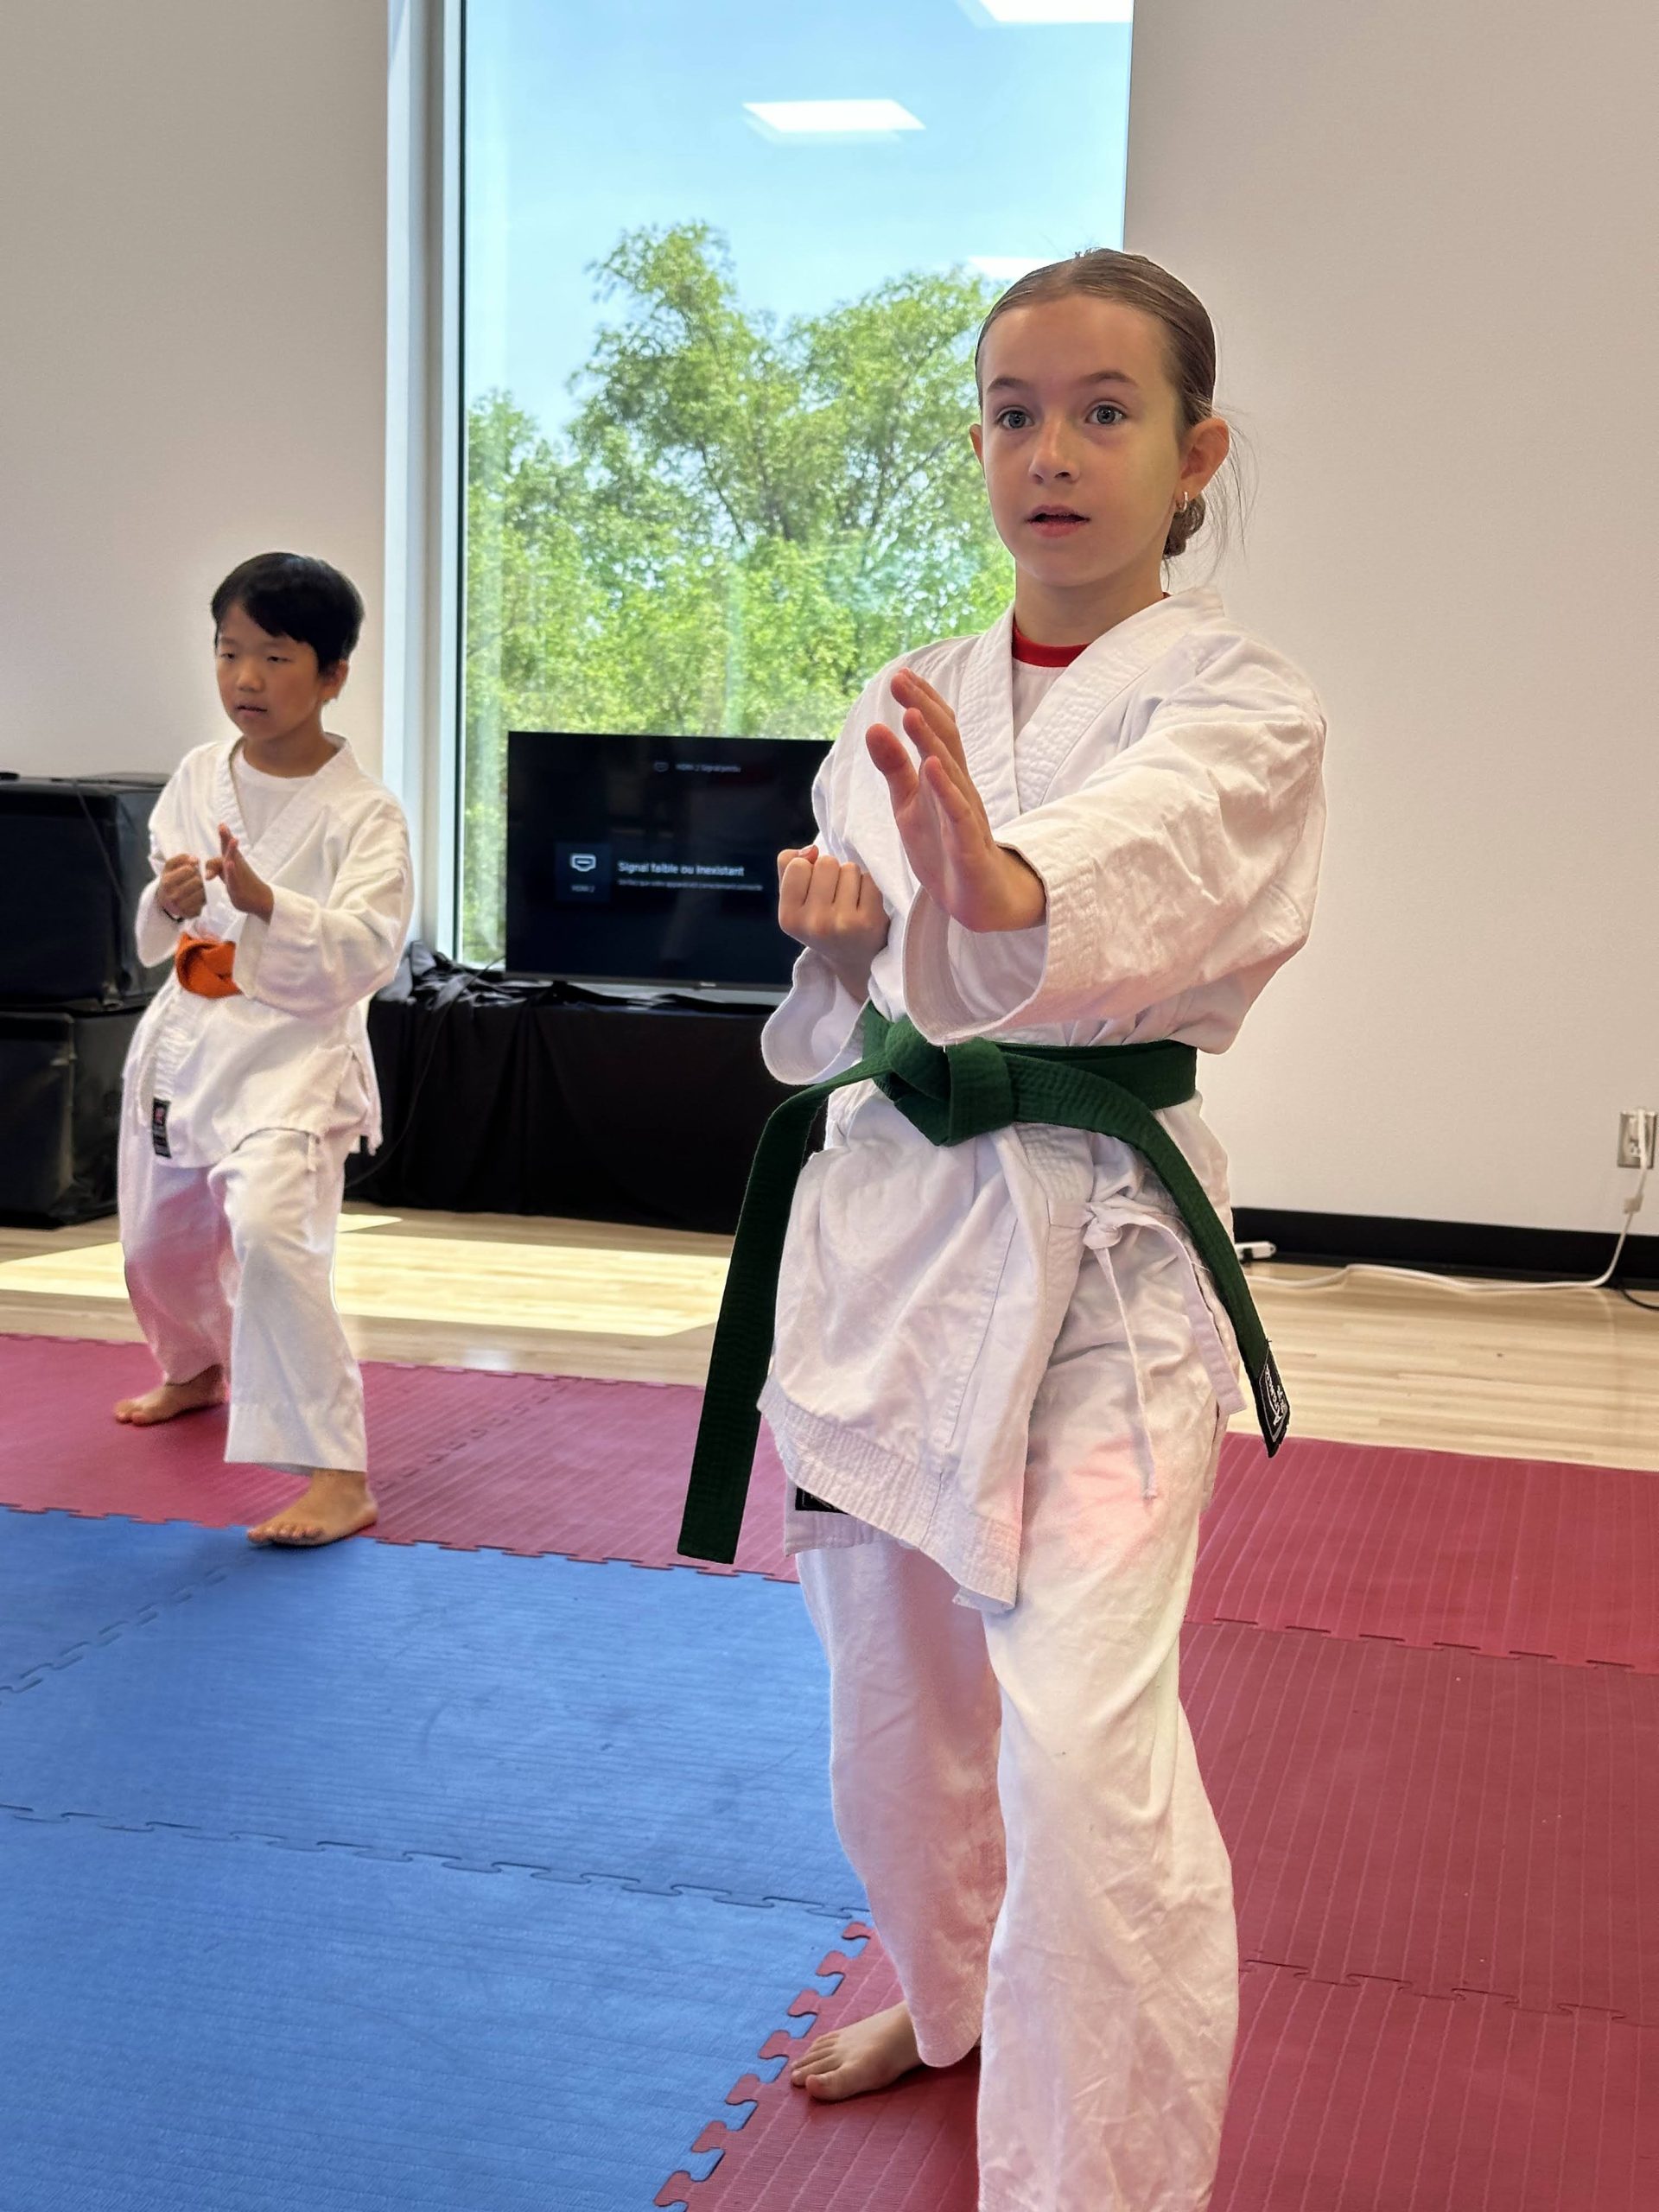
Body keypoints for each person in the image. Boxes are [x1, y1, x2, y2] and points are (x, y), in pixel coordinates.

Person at [679, 251, 1326, 2209]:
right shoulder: (907, 698)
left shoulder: (1243, 702)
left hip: (1104, 1262)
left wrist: (1001, 876)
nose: (1052, 450)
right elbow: (850, 1018)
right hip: (889, 1245)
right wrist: (838, 944)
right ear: (975, 441)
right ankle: (951, 1992)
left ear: (1195, 453)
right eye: (1013, 411)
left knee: (1085, 1764)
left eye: (1105, 412)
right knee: (892, 1714)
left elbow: (1153, 852)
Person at [113, 551, 413, 1548]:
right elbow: (160, 908)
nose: (244, 677)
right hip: (189, 1039)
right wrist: (173, 899)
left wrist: (269, 903)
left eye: (275, 657)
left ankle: (336, 1473)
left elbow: (371, 947)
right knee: (157, 1241)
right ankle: (194, 1366)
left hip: (294, 1054)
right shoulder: (201, 774)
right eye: (228, 650)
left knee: (276, 1241)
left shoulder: (366, 813)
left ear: (332, 674)